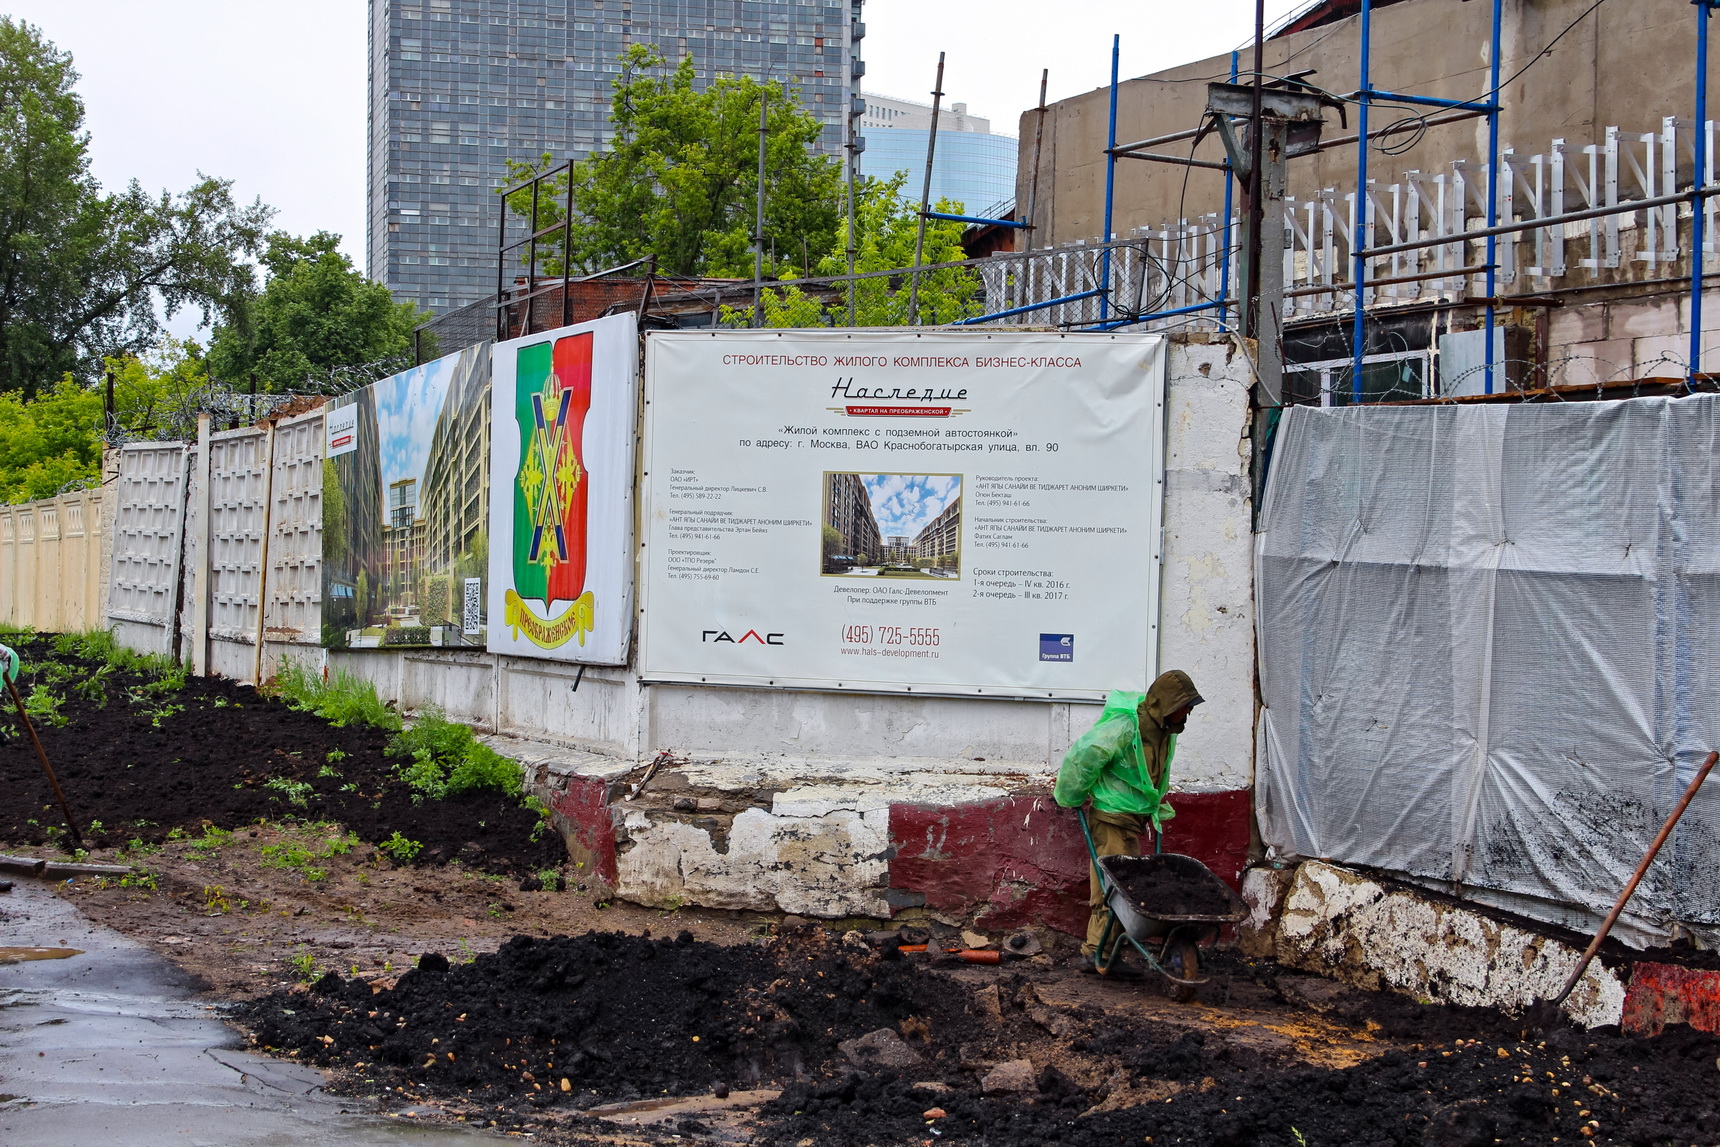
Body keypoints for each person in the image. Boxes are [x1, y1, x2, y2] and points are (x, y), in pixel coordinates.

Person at [1054, 669, 1203, 976]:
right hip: (1111, 815)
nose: (1188, 711)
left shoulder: (1165, 727)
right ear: (1166, 704)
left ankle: (1105, 952)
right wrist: (1072, 794)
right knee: (1114, 888)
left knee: (1127, 887)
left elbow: (1151, 771)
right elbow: (1084, 755)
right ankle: (1097, 953)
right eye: (1184, 705)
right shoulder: (1126, 725)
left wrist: (1155, 804)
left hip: (1134, 816)